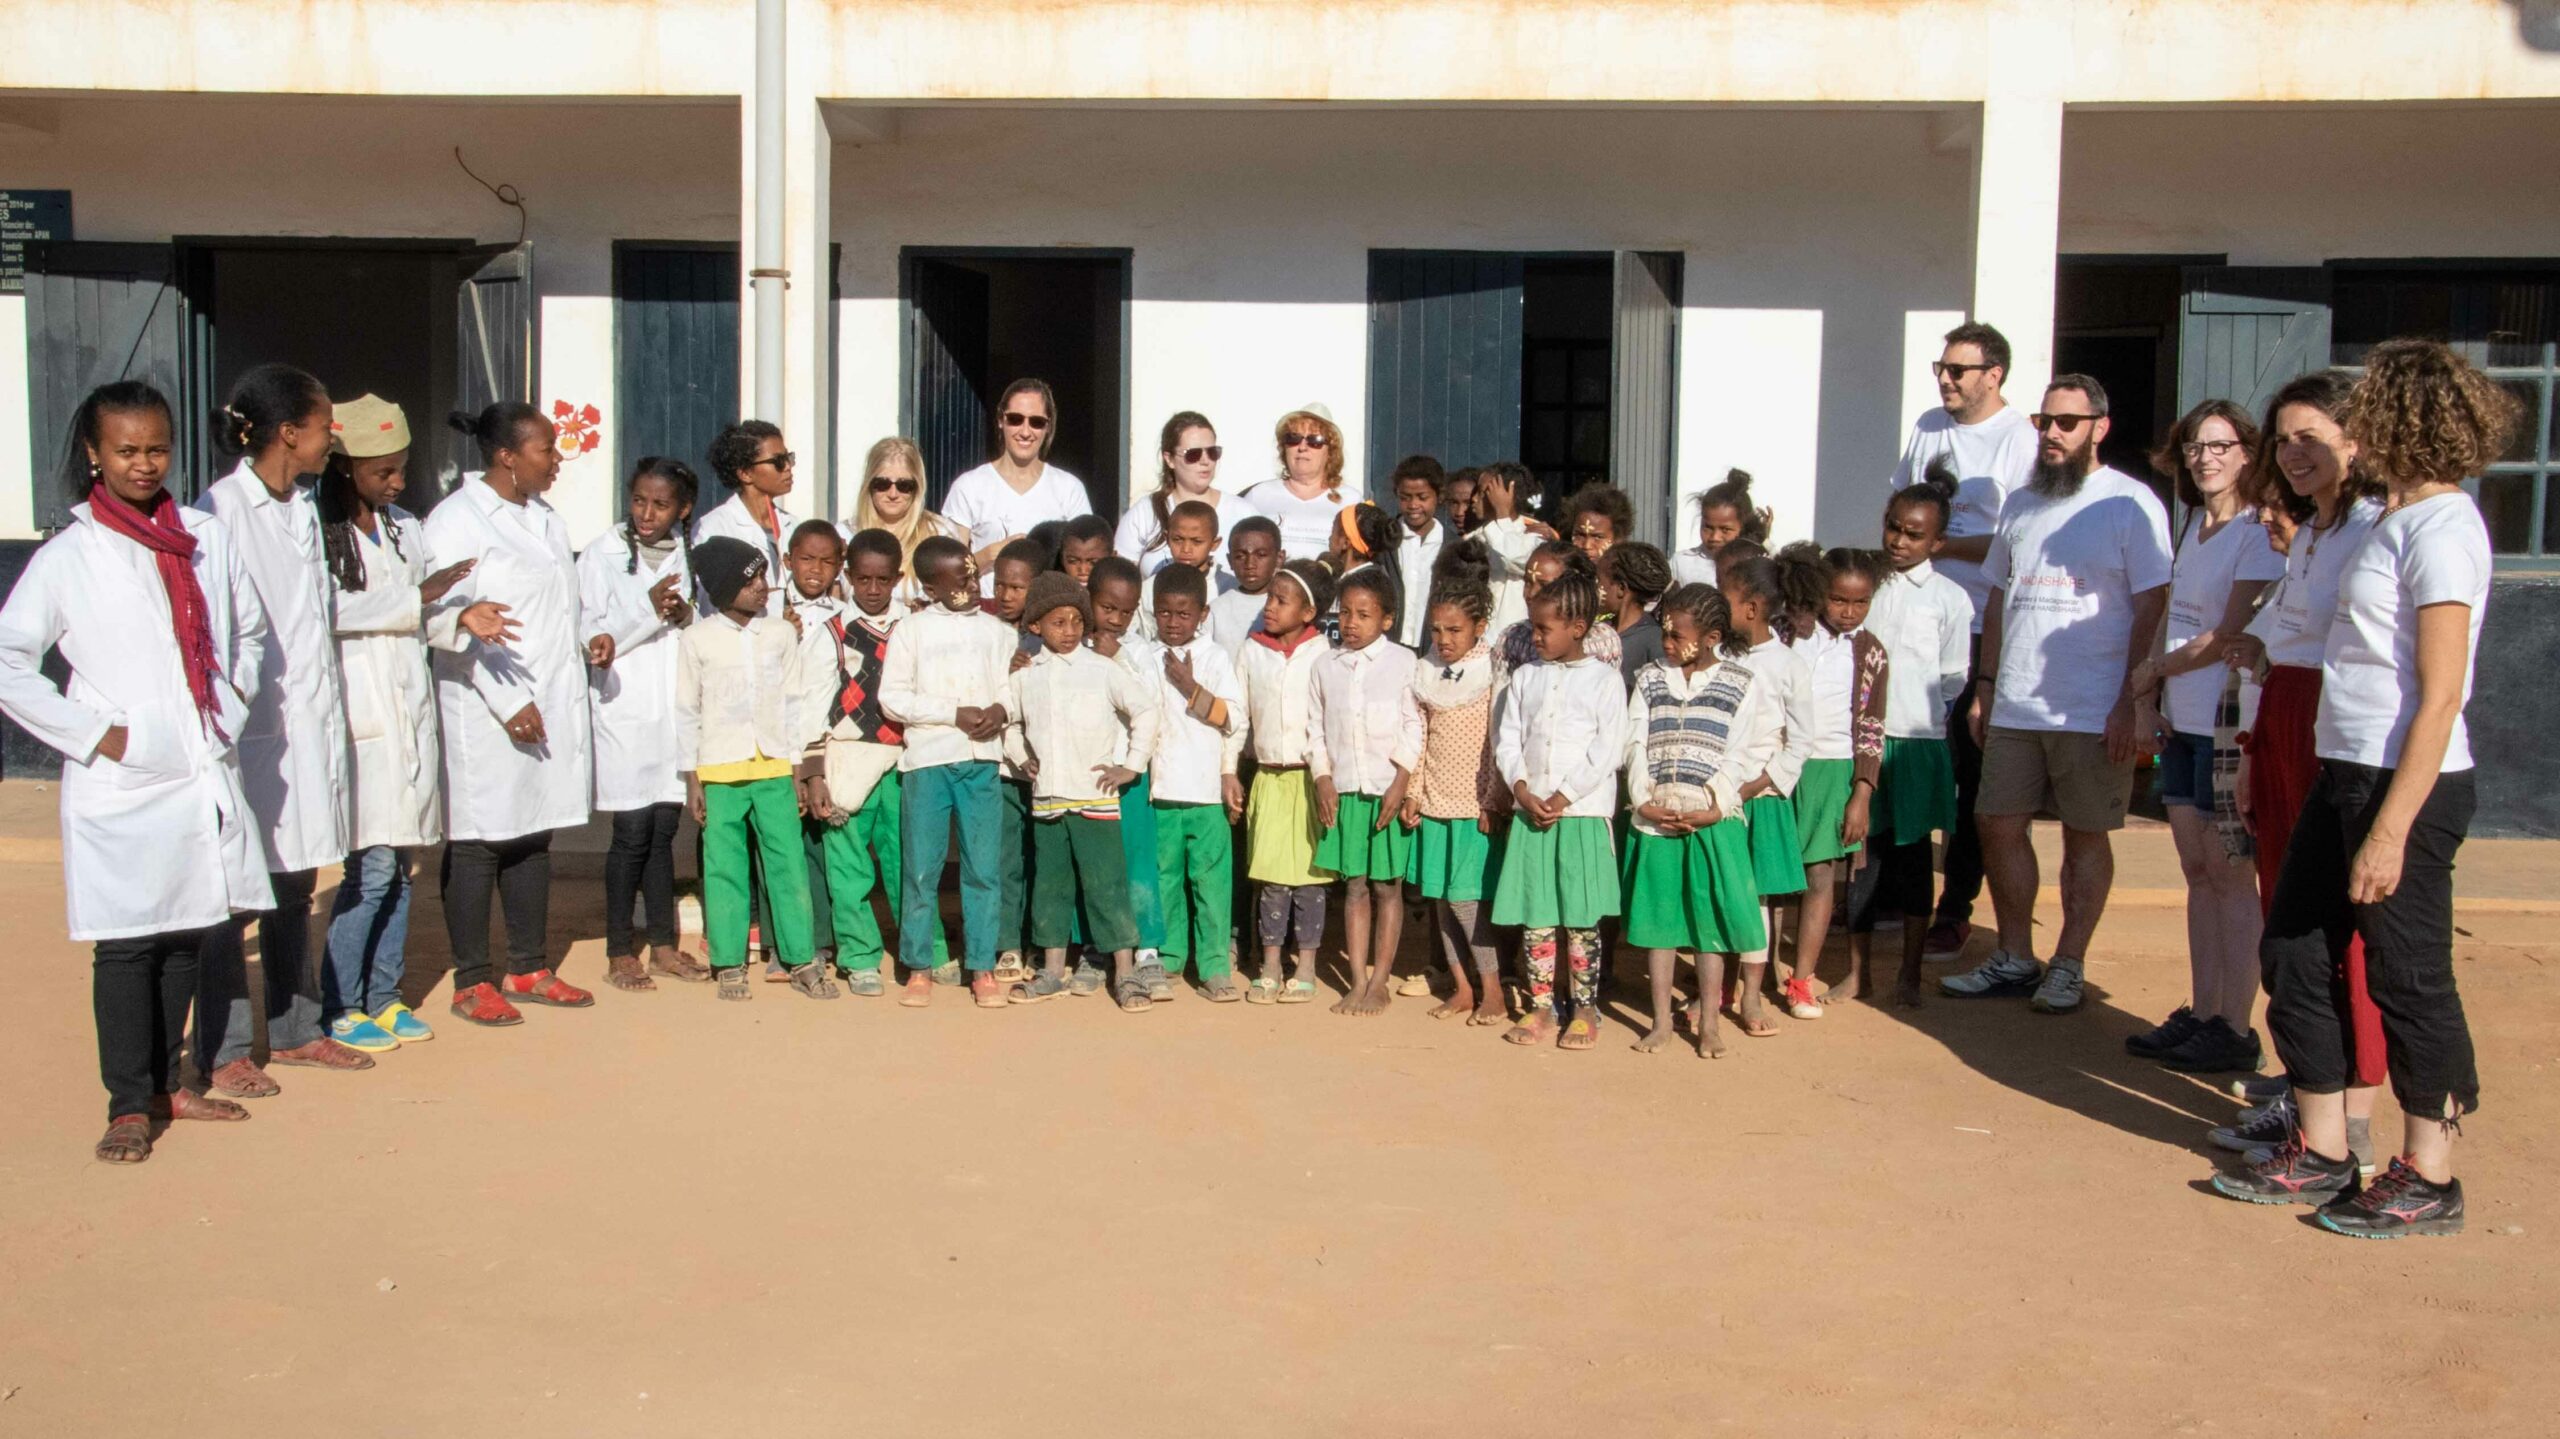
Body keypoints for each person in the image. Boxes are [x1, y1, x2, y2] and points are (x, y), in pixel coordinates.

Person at [2214, 340, 2514, 1238]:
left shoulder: (2446, 529)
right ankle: (2323, 1146)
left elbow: (2442, 693)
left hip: (2404, 782)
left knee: (2408, 974)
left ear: (2400, 422)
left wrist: (2390, 830)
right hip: (2343, 770)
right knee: (2296, 949)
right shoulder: (2389, 521)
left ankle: (2429, 1171)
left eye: (2366, 412)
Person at [0, 383, 269, 1160]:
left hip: (196, 763)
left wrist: (230, 704)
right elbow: (10, 660)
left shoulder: (205, 537)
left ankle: (170, 1085)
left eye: (156, 449)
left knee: (186, 931)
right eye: (126, 450)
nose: (144, 464)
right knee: (124, 943)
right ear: (94, 452)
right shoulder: (69, 556)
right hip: (123, 776)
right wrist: (93, 734)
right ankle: (127, 1102)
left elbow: (247, 630)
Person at [1940, 374, 2172, 1015]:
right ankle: (2015, 955)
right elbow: (1998, 594)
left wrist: (2133, 697)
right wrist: (1986, 685)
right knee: (1996, 823)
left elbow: (2155, 600)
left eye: (2067, 422)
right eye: (2045, 421)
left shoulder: (2131, 503)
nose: (2053, 434)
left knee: (2084, 835)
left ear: (2100, 426)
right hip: (2015, 700)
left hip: (2094, 703)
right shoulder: (2020, 504)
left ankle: (2067, 963)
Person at [2206, 373, 2388, 1168]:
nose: (2294, 452)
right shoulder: (2309, 532)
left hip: (2335, 727)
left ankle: (2351, 1113)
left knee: (2338, 932)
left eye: (2311, 435)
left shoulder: (2378, 529)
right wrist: (2253, 750)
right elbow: (2283, 642)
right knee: (2283, 912)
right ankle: (2305, 1087)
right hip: (2281, 720)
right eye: (2283, 439)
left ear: (2356, 440)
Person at [193, 363, 372, 1091]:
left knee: (296, 884)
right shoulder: (220, 511)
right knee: (234, 899)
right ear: (289, 432)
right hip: (251, 727)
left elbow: (318, 616)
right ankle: (226, 1048)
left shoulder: (301, 504)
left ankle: (296, 1030)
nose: (334, 439)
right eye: (326, 425)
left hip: (306, 726)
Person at [2123, 400, 2285, 1072]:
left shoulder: (2257, 532)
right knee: (2197, 873)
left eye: (2220, 445)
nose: (2206, 457)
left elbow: (2227, 633)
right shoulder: (2194, 522)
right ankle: (2204, 1007)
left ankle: (2234, 1025)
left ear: (2248, 452)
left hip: (2225, 724)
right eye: (2195, 444)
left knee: (2230, 874)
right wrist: (2153, 694)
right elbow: (2174, 615)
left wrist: (2151, 671)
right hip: (2182, 723)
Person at [426, 403, 600, 1026]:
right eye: (546, 451)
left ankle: (528, 965)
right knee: (479, 838)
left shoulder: (544, 517)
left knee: (532, 832)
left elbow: (558, 608)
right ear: (506, 456)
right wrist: (505, 703)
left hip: (547, 697)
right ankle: (472, 979)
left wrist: (589, 642)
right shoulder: (456, 520)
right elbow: (445, 617)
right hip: (487, 703)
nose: (556, 461)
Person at [317, 395, 483, 1045]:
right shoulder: (319, 537)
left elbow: (421, 616)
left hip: (409, 714)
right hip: (361, 720)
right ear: (344, 468)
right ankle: (340, 1002)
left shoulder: (403, 527)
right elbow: (335, 610)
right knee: (372, 868)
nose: (396, 482)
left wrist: (461, 619)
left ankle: (385, 994)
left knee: (404, 863)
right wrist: (422, 596)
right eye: (382, 470)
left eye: (401, 468)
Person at [1889, 323, 2042, 965]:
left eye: (1958, 370)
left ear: (1994, 374)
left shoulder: (2020, 441)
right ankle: (1893, 895)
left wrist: (1938, 546)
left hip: (1980, 623)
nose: (1945, 380)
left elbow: (2018, 536)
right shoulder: (1928, 424)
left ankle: (1956, 908)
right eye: (1941, 368)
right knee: (1897, 751)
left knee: (1969, 774)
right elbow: (1901, 506)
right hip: (1911, 617)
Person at [1622, 582, 1776, 1058]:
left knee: (1708, 926)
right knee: (1660, 926)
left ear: (1710, 637)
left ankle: (1709, 1023)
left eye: (1677, 636)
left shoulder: (1740, 683)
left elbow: (1740, 754)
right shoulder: (1650, 679)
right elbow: (1634, 744)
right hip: (1658, 820)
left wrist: (1715, 804)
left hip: (1712, 821)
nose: (1667, 644)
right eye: (1665, 633)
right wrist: (1643, 800)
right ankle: (1662, 1022)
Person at [676, 536, 829, 1002]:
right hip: (720, 768)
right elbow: (687, 710)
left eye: (763, 575)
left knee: (787, 864)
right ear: (723, 588)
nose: (764, 587)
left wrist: (798, 769)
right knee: (725, 866)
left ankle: (800, 957)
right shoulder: (696, 638)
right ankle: (728, 961)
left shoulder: (780, 634)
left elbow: (795, 702)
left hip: (775, 767)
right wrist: (693, 779)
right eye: (751, 579)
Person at [1842, 468, 1972, 1009]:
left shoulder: (1949, 599)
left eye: (1913, 534)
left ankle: (1911, 973)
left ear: (1937, 542)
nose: (1898, 540)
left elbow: (1953, 676)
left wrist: (1921, 720)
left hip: (1916, 742)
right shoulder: (1863, 588)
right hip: (1860, 740)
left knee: (1914, 857)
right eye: (1893, 527)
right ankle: (1858, 973)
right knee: (1862, 857)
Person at [579, 457, 709, 994]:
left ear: (683, 510)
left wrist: (683, 617)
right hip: (625, 709)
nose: (646, 514)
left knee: (663, 829)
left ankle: (661, 945)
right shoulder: (600, 555)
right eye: (638, 501)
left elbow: (701, 629)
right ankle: (618, 949)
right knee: (630, 833)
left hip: (671, 712)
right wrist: (651, 613)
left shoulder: (692, 558)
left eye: (660, 505)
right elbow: (593, 636)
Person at [1003, 572, 1160, 1011]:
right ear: (1035, 626)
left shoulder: (1102, 670)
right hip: (1049, 801)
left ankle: (1126, 974)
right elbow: (1010, 723)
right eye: (1058, 622)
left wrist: (1131, 766)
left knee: (1106, 887)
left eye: (1076, 621)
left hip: (1095, 800)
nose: (1069, 631)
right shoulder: (1026, 676)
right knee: (1050, 887)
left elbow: (1146, 710)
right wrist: (1020, 757)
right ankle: (1052, 971)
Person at [807, 527, 951, 1002]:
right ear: (846, 577)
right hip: (848, 760)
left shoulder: (916, 625)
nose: (872, 589)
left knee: (912, 861)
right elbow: (808, 705)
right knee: (848, 867)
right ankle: (860, 956)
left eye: (882, 580)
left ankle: (924, 952)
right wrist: (812, 770)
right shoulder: (829, 633)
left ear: (898, 578)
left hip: (907, 759)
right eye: (862, 579)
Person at [1491, 569, 1628, 1051]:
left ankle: (1585, 1007)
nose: (1536, 636)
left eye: (1545, 628)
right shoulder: (1525, 678)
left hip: (1582, 815)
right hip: (1533, 814)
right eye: (1532, 626)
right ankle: (1542, 1005)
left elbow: (1608, 749)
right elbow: (1506, 739)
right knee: (1538, 915)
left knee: (1581, 917)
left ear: (1578, 627)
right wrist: (1522, 788)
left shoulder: (1605, 682)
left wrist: (1564, 796)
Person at [880, 535, 1017, 1010]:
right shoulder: (911, 630)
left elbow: (1011, 688)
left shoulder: (998, 631)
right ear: (931, 585)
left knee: (983, 868)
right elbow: (892, 697)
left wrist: (1001, 710)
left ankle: (980, 966)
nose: (971, 582)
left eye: (974, 574)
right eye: (959, 576)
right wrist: (951, 712)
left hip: (981, 763)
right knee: (922, 867)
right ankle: (919, 966)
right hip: (928, 762)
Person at [1779, 546, 1888, 1015]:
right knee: (1769, 874)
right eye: (1839, 600)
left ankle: (1801, 977)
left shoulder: (1870, 654)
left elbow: (1871, 726)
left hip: (1832, 768)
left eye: (1860, 602)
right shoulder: (1787, 635)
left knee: (1820, 874)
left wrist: (1861, 793)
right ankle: (1754, 971)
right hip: (1780, 765)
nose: (1849, 612)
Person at [1400, 575, 1509, 1027]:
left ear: (1479, 626)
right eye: (1436, 630)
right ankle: (1463, 987)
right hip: (1434, 804)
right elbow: (1421, 736)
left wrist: (1490, 799)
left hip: (1472, 807)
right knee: (1443, 902)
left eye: (1455, 631)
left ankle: (1495, 991)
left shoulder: (1491, 672)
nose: (1443, 640)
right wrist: (1413, 792)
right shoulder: (1425, 670)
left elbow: (1497, 740)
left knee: (1467, 902)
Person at [1309, 568, 1419, 1015]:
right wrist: (1322, 776)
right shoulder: (1325, 665)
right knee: (1353, 887)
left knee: (1387, 887)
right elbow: (1314, 727)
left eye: (1364, 615)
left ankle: (1380, 981)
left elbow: (1415, 725)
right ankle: (1356, 980)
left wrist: (1401, 780)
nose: (1351, 623)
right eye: (1345, 613)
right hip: (1345, 791)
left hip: (1385, 790)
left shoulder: (1404, 664)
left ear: (1387, 619)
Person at [1720, 553, 1817, 1037]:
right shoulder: (1720, 657)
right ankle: (1713, 989)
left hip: (1759, 798)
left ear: (1752, 608)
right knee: (1718, 893)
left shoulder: (1788, 665)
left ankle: (1752, 995)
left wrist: (1760, 783)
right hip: (1719, 795)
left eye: (1725, 598)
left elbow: (1801, 740)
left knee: (1753, 900)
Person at [1144, 562, 1248, 1001]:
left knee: (1211, 883)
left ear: (1203, 615)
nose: (1173, 623)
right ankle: (1169, 959)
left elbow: (1234, 720)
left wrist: (1191, 687)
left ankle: (1214, 967)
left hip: (1206, 792)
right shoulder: (1141, 656)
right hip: (1160, 790)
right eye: (1164, 613)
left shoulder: (1215, 658)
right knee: (1164, 878)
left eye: (1183, 614)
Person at [1234, 560, 1336, 1004]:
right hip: (1269, 778)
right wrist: (1227, 770)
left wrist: (1324, 778)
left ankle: (1307, 965)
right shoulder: (1252, 651)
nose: (1270, 607)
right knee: (1273, 881)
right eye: (1269, 598)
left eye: (1281, 600)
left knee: (1310, 881)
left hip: (1308, 780)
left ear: (1309, 612)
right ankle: (1271, 963)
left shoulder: (1324, 656)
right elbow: (1238, 718)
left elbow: (1323, 725)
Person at [1086, 556, 1171, 997]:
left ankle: (1148, 950)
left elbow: (1150, 703)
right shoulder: (1073, 643)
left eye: (1125, 610)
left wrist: (1117, 656)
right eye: (1106, 608)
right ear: (1089, 600)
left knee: (1138, 863)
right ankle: (1098, 948)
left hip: (1131, 774)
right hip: (1087, 775)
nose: (1115, 619)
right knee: (1098, 867)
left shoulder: (1139, 651)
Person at [942, 378, 1091, 593]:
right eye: (1015, 419)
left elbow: (1085, 561)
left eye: (1036, 422)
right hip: (985, 611)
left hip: (1048, 613)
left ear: (1047, 427)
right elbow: (948, 571)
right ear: (1001, 420)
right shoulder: (969, 486)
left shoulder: (1069, 488)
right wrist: (989, 555)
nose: (1025, 431)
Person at [1116, 411, 1257, 577]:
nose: (1205, 461)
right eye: (1193, 454)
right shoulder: (1146, 511)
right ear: (1169, 459)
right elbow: (1119, 577)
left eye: (1212, 452)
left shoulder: (1244, 512)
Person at [692, 419, 800, 617]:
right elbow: (707, 603)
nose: (787, 467)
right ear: (745, 473)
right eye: (777, 461)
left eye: (788, 458)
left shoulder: (794, 526)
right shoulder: (714, 527)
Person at [847, 435, 966, 609]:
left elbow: (958, 595)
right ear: (869, 485)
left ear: (917, 488)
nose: (893, 494)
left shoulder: (940, 532)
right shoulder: (846, 533)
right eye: (882, 484)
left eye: (904, 486)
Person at [1492, 542, 1621, 678]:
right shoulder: (1513, 638)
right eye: (1528, 582)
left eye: (1545, 585)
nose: (1531, 594)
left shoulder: (1603, 640)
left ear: (1574, 587)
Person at [1245, 404, 1356, 561]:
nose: (1302, 447)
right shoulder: (1259, 496)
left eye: (1315, 441)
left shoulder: (1351, 501)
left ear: (1330, 452)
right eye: (1293, 439)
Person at [1130, 498, 1232, 643]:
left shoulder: (1227, 588)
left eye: (1196, 541)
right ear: (1167, 538)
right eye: (1178, 539)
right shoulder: (1150, 588)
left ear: (1214, 544)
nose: (1186, 549)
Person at [1469, 460, 1552, 635]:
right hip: (1480, 640)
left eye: (1484, 493)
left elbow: (1513, 558)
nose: (1474, 499)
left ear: (1506, 496)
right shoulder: (1474, 539)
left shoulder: (1535, 537)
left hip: (1518, 640)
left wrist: (1502, 513)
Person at [1388, 455, 1449, 648]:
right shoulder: (1386, 542)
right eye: (1405, 498)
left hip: (1433, 648)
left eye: (1422, 497)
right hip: (1389, 645)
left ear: (1439, 496)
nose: (1413, 505)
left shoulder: (1451, 546)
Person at [1672, 469, 1769, 587]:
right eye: (1708, 527)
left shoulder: (1756, 564)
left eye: (1725, 529)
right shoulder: (1681, 564)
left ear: (1743, 527)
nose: (1715, 537)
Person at [1599, 540, 1673, 683]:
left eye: (1598, 580)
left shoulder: (1654, 640)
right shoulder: (1599, 631)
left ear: (1621, 588)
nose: (1594, 586)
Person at [1211, 515, 1281, 655]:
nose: (1250, 565)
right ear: (1230, 560)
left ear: (1279, 558)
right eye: (1240, 556)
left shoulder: (1287, 606)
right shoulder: (1217, 609)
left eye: (1261, 555)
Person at [1563, 482, 1636, 569]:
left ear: (1618, 538)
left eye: (1598, 537)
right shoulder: (1561, 575)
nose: (1587, 546)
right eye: (1580, 535)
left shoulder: (1630, 578)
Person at [1053, 513, 1114, 586]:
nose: (1083, 570)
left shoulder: (1123, 593)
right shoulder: (1053, 594)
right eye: (1073, 561)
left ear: (1112, 558)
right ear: (1062, 559)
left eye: (1093, 563)